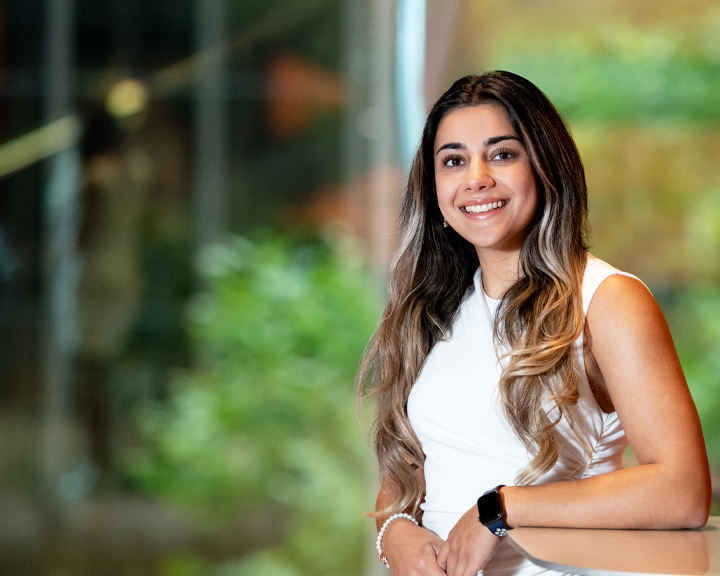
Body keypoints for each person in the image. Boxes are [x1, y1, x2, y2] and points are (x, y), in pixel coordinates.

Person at [357, 71, 711, 576]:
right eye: (453, 161)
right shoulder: (432, 307)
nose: (477, 178)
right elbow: (412, 469)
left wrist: (500, 509)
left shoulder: (607, 300)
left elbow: (681, 491)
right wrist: (393, 530)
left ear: (545, 166)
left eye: (502, 154)